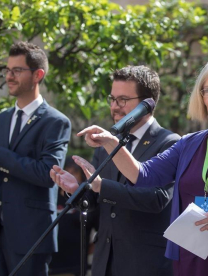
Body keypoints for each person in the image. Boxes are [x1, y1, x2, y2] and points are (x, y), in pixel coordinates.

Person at [56, 58, 208, 276]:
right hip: (191, 255)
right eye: (207, 90)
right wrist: (111, 142)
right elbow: (143, 174)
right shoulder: (190, 143)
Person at [51, 65, 180, 276]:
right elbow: (96, 203)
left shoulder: (169, 142)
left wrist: (102, 186)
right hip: (105, 262)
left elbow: (157, 199)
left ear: (146, 105)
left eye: (123, 100)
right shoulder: (109, 143)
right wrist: (76, 189)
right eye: (112, 99)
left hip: (144, 264)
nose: (115, 107)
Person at [0, 42, 71, 276]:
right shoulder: (2, 118)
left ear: (37, 75)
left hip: (30, 234)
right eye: (7, 70)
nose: (9, 76)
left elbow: (47, 174)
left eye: (17, 70)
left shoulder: (56, 122)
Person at [49, 157, 99, 276]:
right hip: (48, 265)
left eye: (74, 173)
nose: (70, 176)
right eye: (67, 172)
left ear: (81, 176)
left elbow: (101, 232)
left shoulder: (88, 202)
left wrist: (87, 250)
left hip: (74, 267)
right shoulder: (51, 197)